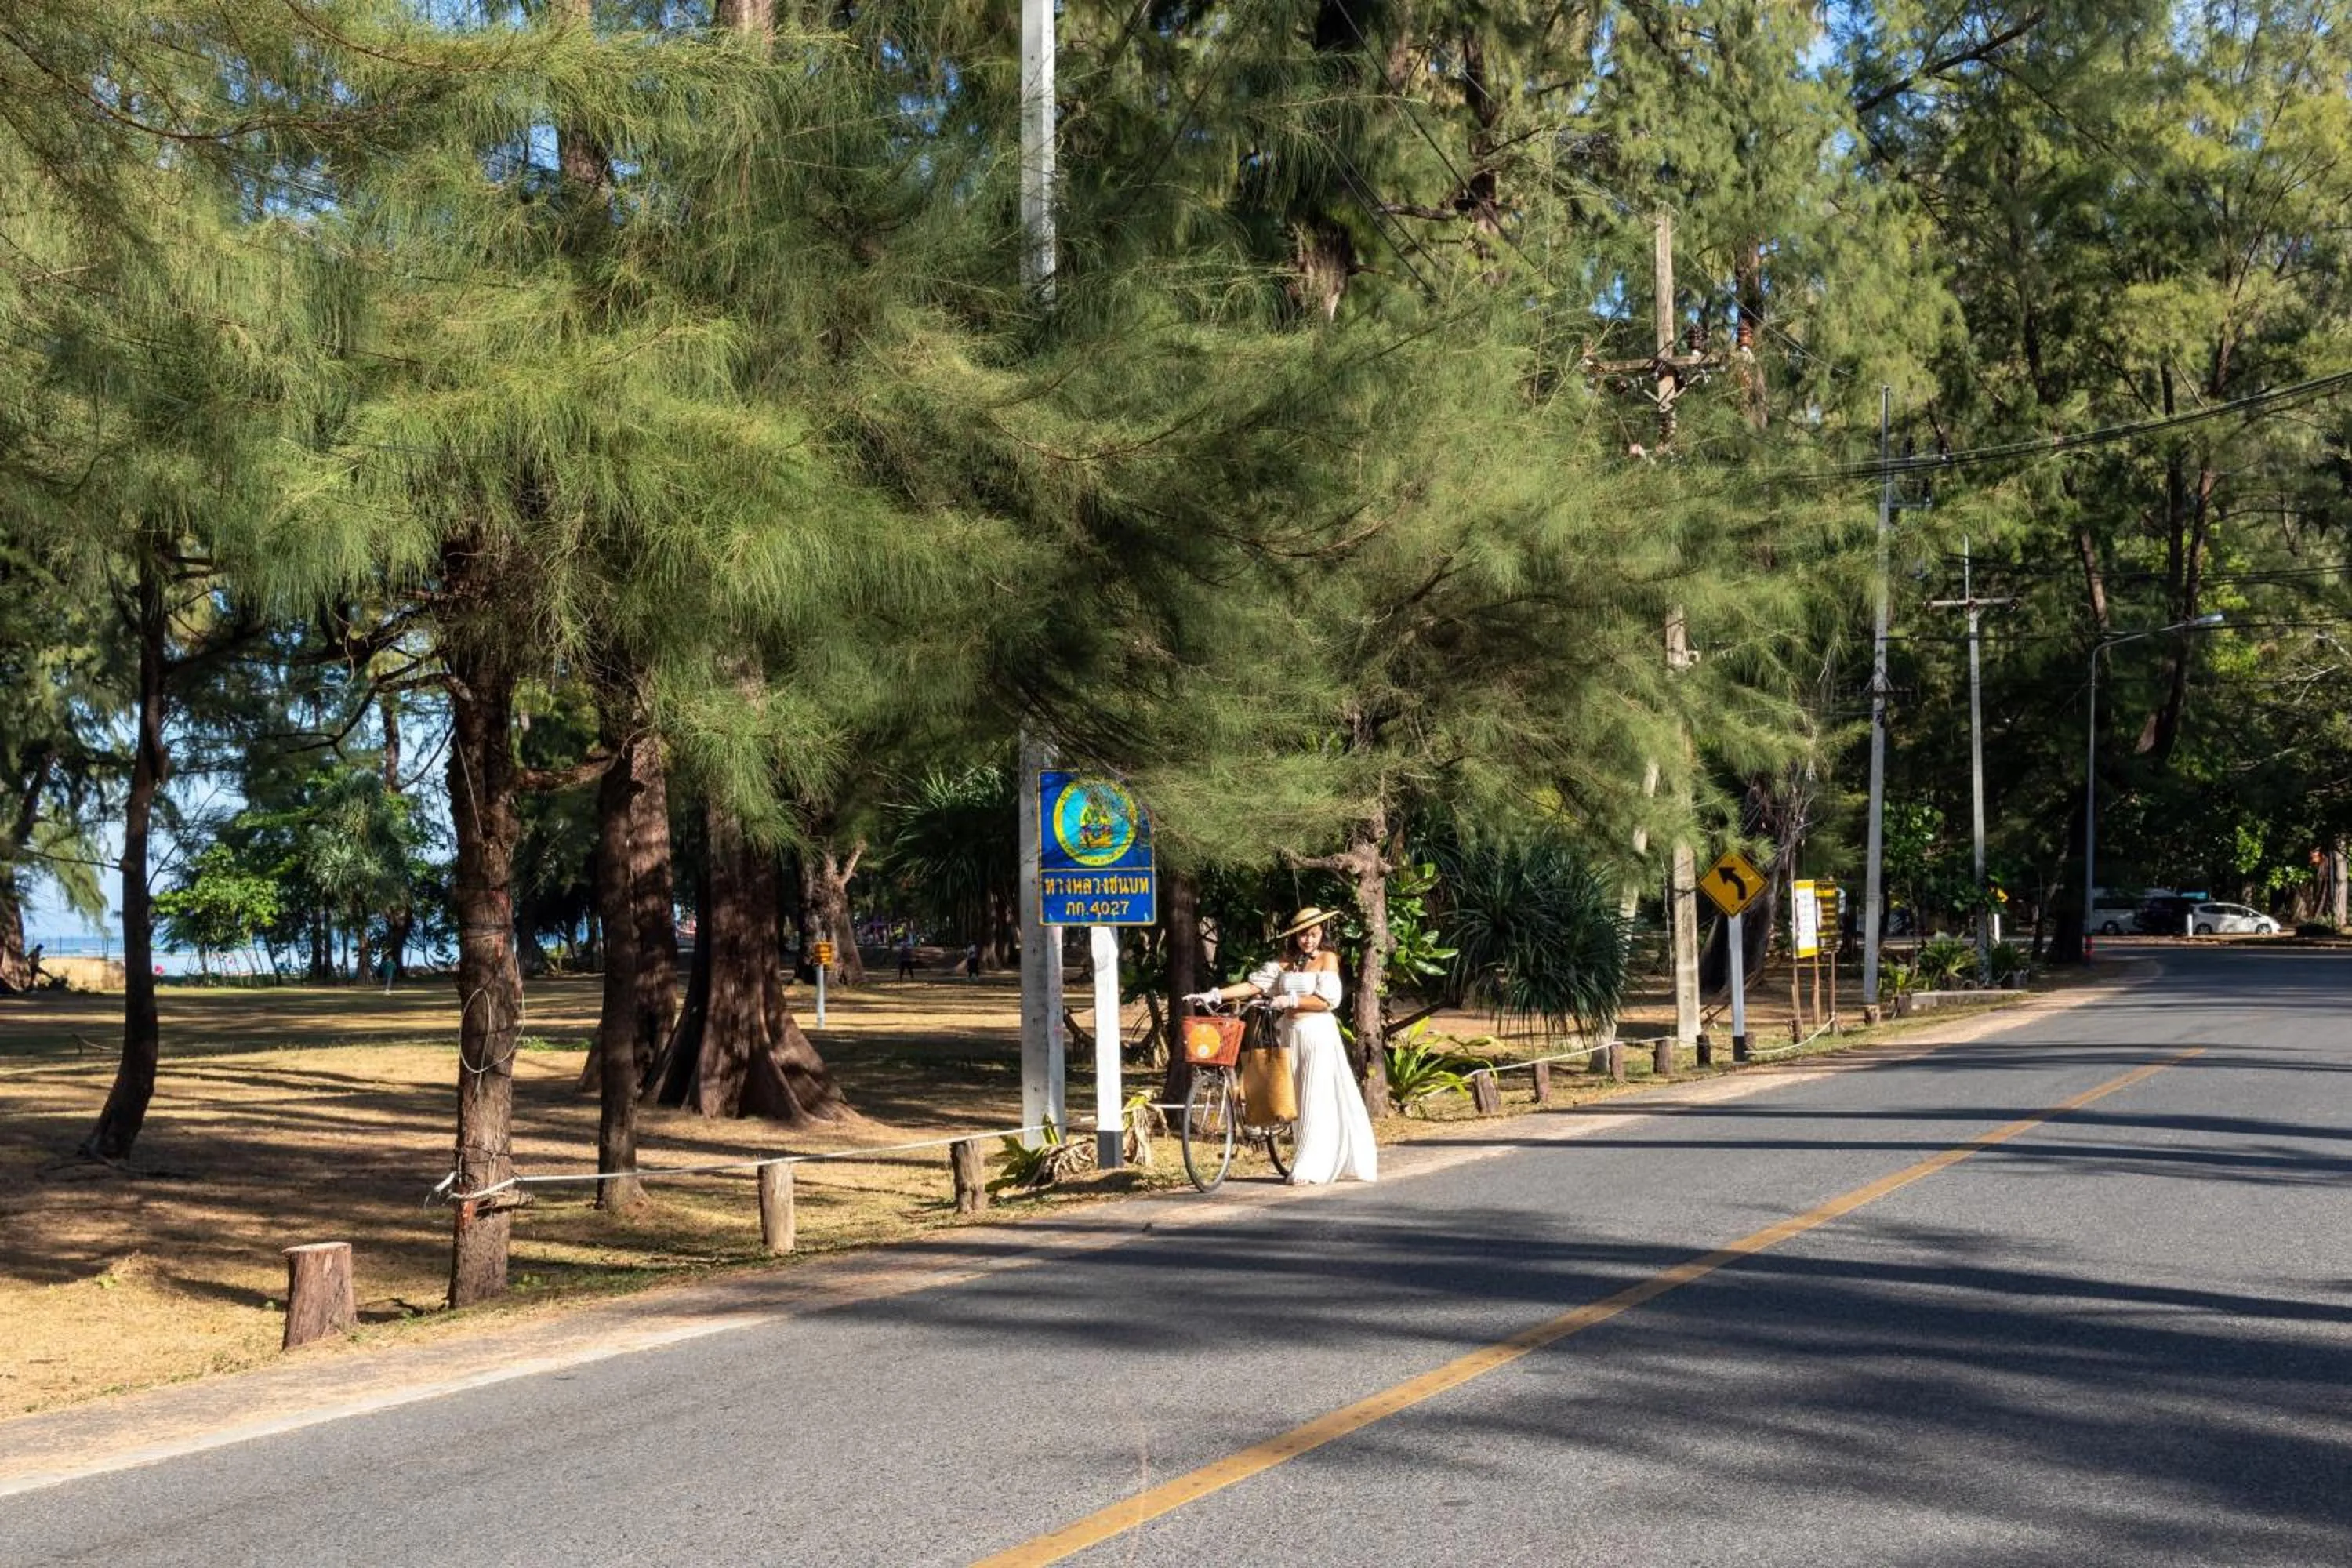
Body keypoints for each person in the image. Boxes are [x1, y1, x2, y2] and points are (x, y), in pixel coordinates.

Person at [1186, 906, 1376, 1185]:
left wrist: (1292, 1001)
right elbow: (1253, 986)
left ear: (1321, 933)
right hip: (1289, 1033)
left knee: (1313, 1095)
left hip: (1316, 1032)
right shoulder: (1287, 962)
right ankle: (1305, 1155)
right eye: (1302, 935)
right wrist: (1214, 994)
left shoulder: (1327, 959)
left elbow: (1328, 1001)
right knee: (1294, 1096)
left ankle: (1313, 1166)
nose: (1307, 941)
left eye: (1312, 935)